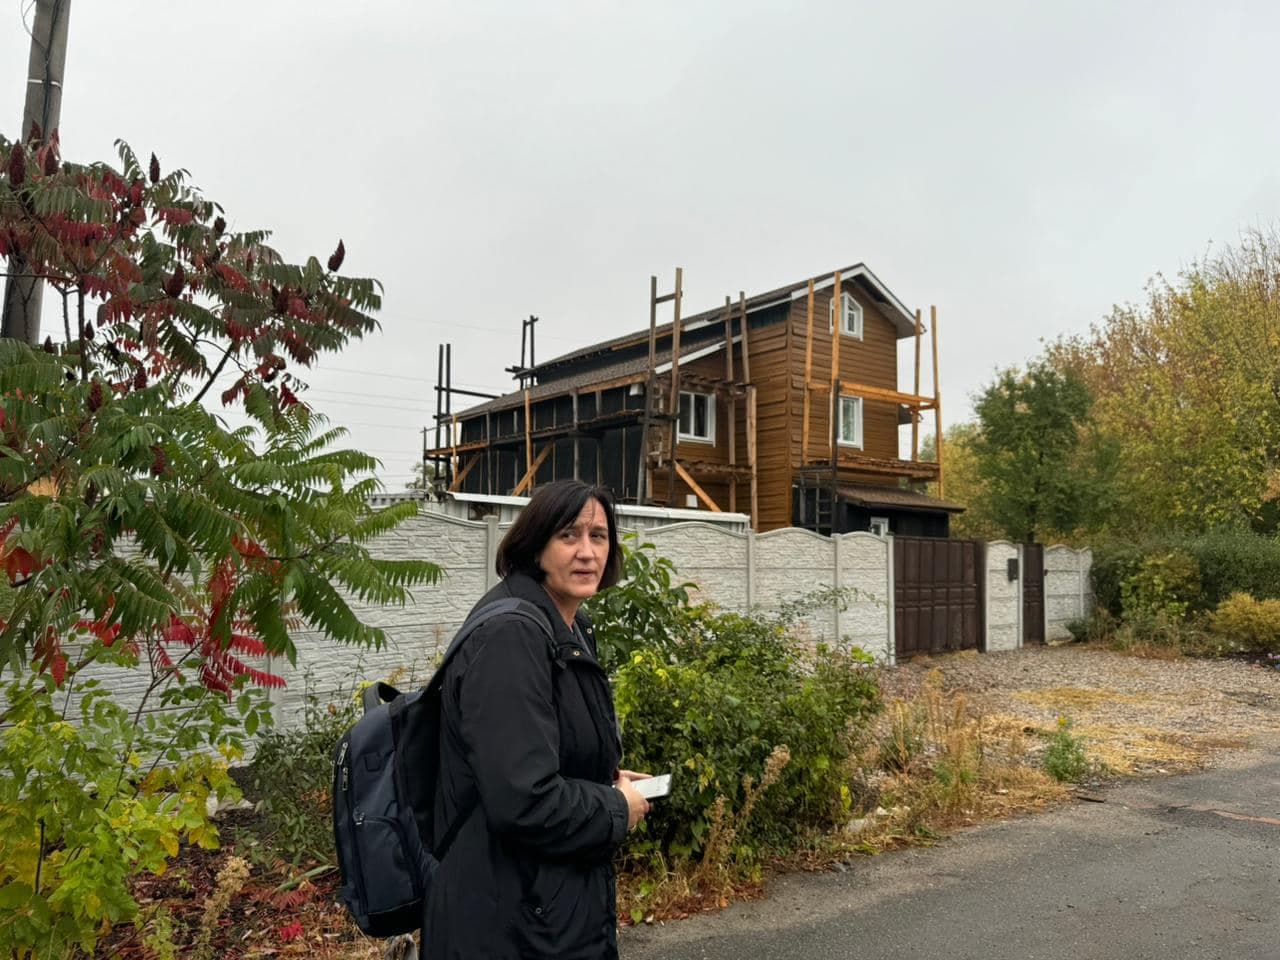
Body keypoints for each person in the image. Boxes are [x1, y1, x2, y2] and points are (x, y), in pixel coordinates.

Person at [423, 480, 651, 959]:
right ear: (536, 545)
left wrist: (605, 781)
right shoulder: (513, 637)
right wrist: (614, 808)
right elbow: (522, 800)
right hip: (505, 921)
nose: (588, 552)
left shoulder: (565, 626)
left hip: (545, 906)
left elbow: (539, 750)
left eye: (599, 536)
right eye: (569, 536)